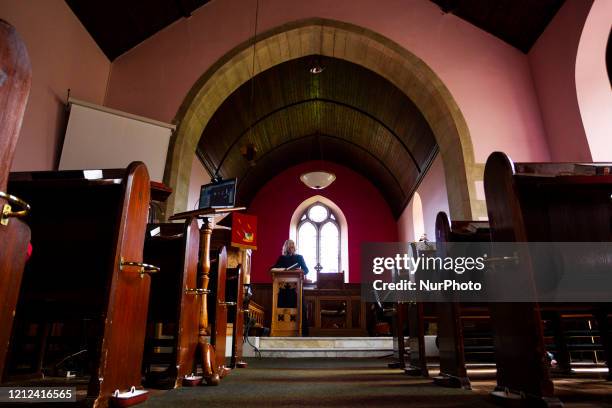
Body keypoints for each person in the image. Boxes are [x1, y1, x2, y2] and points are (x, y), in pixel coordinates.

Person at [273, 239, 309, 336]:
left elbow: (306, 270)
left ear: (294, 247)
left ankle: (299, 331)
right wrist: (282, 270)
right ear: (285, 248)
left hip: (296, 290)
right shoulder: (281, 258)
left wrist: (300, 270)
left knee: (298, 309)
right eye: (289, 246)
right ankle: (281, 330)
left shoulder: (299, 257)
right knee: (284, 309)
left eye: (292, 246)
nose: (291, 248)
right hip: (283, 290)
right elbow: (273, 268)